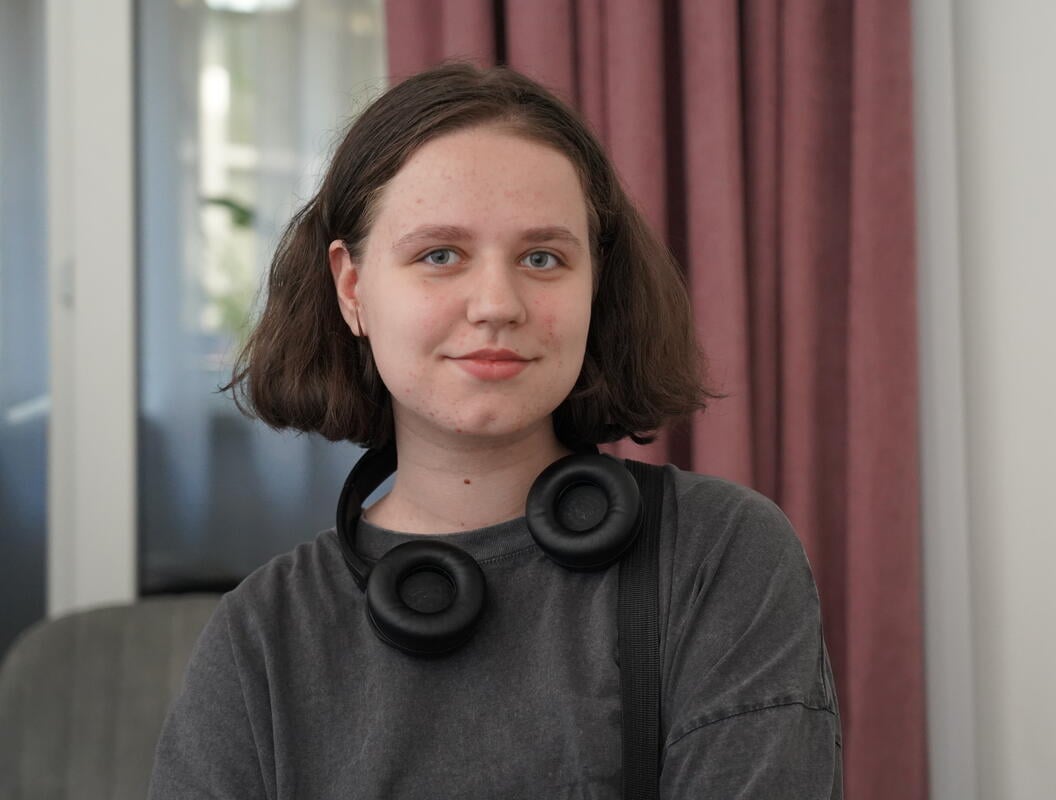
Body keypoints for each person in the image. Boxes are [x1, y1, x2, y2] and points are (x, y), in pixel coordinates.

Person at [149, 61, 843, 799]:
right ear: (353, 288)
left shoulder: (717, 555)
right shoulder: (262, 633)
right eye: (439, 255)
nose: (496, 304)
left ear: (594, 286)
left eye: (542, 257)